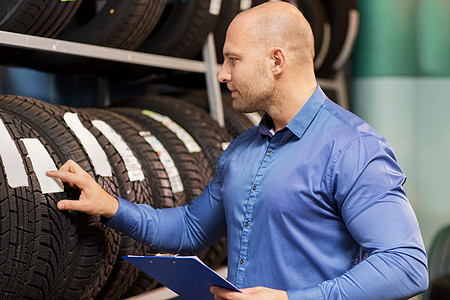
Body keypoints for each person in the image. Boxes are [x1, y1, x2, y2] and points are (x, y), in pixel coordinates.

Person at [47, 2, 429, 299]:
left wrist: (292, 299)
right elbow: (191, 228)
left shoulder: (352, 147)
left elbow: (405, 264)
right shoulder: (242, 150)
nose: (221, 74)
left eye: (233, 59)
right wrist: (110, 205)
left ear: (276, 60)